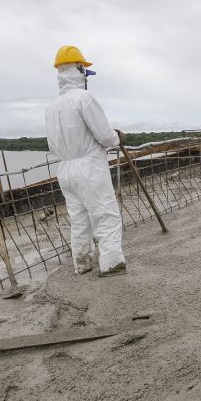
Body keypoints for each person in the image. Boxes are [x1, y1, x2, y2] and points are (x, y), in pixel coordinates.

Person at [44, 46, 127, 277]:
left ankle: (82, 262)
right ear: (79, 70)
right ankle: (111, 263)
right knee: (104, 214)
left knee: (79, 218)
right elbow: (104, 135)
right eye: (85, 72)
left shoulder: (51, 108)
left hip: (65, 169)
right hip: (89, 167)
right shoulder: (84, 99)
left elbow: (52, 146)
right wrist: (116, 137)